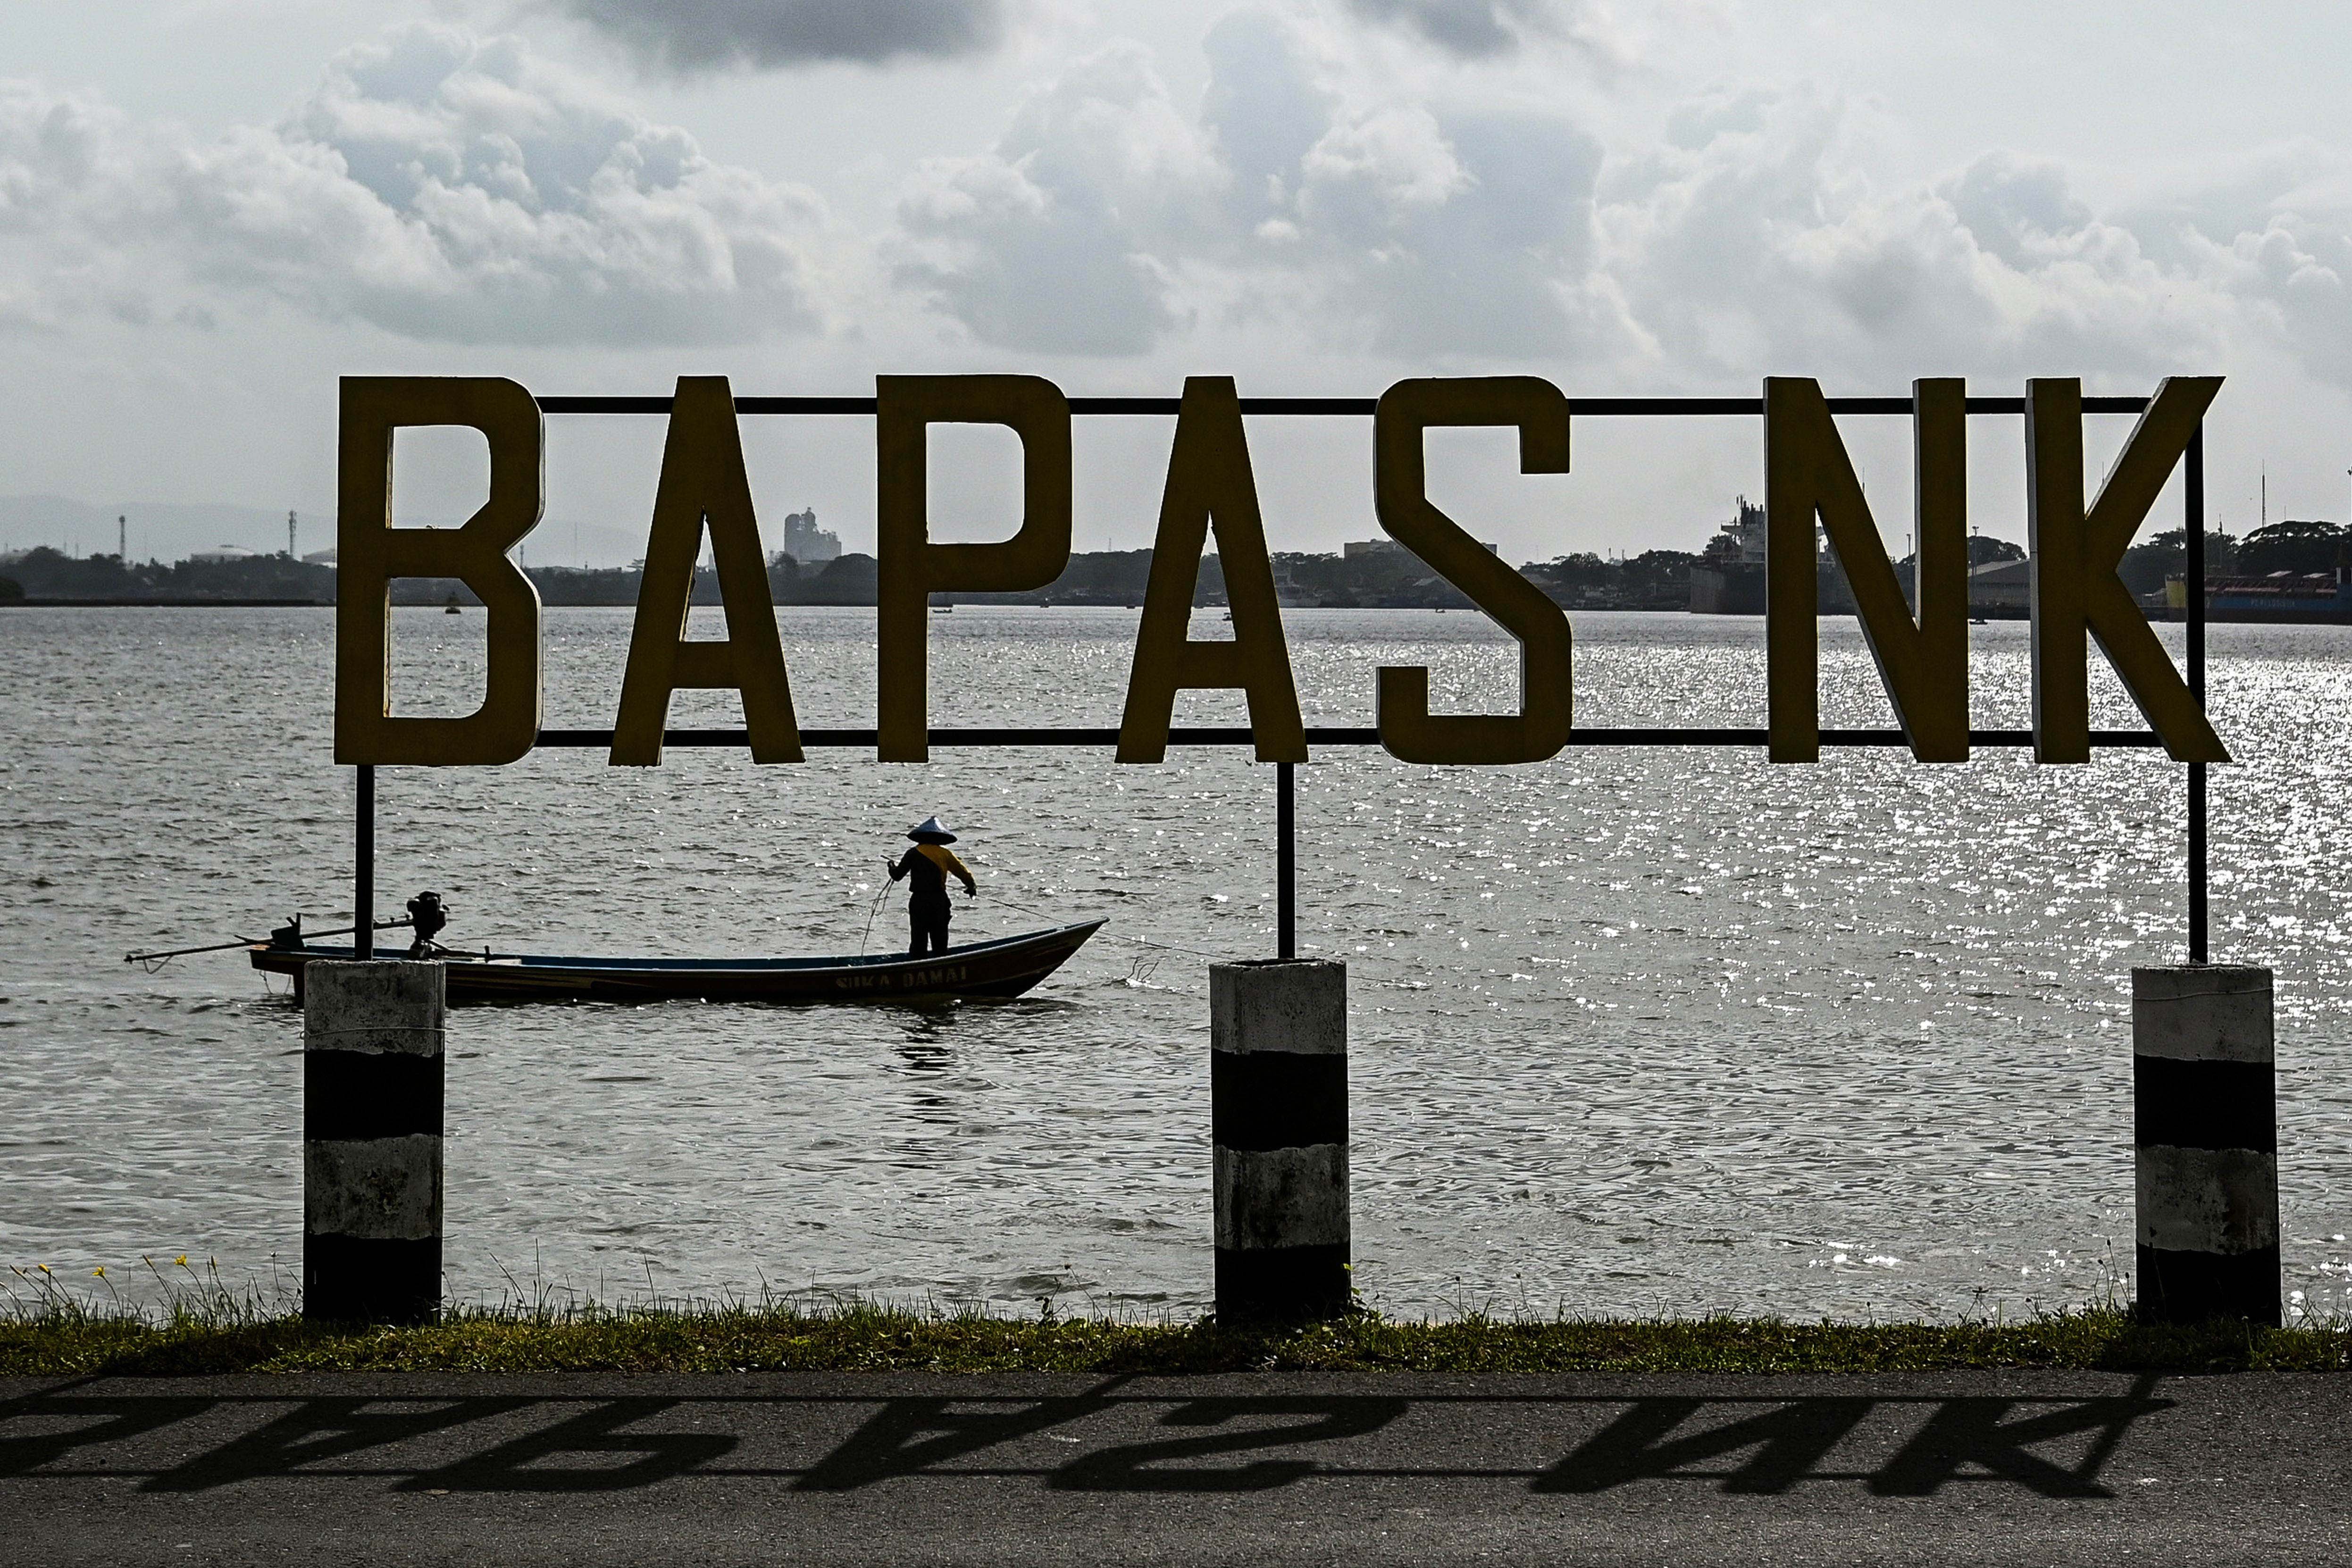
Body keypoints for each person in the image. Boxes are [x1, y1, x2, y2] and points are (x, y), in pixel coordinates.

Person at [889, 816, 976, 957]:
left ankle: (918, 966)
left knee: (918, 941)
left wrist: (891, 866)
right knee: (940, 941)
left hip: (919, 902)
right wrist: (971, 887)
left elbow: (897, 876)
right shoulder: (945, 854)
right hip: (939, 902)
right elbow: (964, 873)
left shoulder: (913, 853)